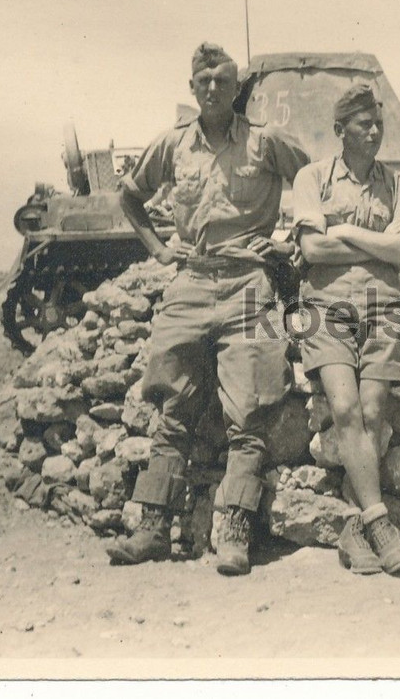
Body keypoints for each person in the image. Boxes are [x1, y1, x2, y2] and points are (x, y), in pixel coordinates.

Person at [106, 42, 310, 575]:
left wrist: (289, 241)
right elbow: (129, 195)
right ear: (192, 87)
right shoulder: (173, 146)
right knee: (173, 407)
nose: (214, 89)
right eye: (205, 81)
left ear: (236, 86)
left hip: (251, 283)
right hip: (192, 281)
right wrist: (157, 248)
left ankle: (236, 531)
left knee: (250, 413)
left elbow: (314, 184)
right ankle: (152, 527)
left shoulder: (264, 142)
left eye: (223, 80)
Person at [292, 83, 400, 575]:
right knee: (345, 408)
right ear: (339, 131)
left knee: (371, 412)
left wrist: (344, 231)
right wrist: (378, 243)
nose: (374, 131)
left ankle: (355, 528)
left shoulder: (398, 186)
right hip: (327, 308)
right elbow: (312, 251)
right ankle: (379, 520)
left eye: (378, 123)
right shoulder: (313, 179)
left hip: (385, 310)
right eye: (363, 124)